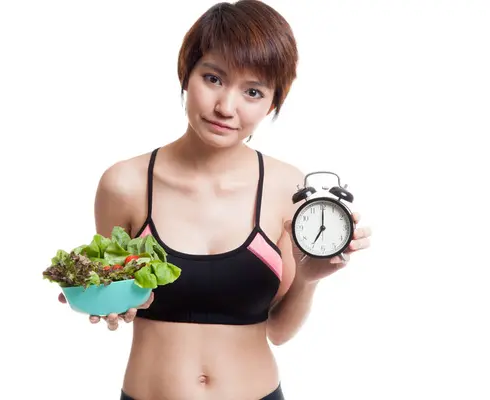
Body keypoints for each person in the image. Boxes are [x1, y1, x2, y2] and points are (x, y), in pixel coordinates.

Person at [57, 1, 372, 399]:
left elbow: (277, 330)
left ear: (272, 104)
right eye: (213, 78)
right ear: (186, 74)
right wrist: (106, 301)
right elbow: (116, 295)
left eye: (253, 91)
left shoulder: (285, 187)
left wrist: (309, 279)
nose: (226, 107)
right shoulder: (126, 184)